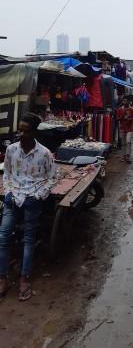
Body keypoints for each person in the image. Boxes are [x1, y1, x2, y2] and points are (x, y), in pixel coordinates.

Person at [0, 113, 56, 301]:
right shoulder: (11, 150)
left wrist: (39, 195)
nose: (21, 134)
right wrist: (8, 191)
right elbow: (6, 173)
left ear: (34, 132)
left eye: (25, 130)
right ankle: (3, 278)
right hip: (12, 197)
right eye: (20, 129)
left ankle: (24, 278)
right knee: (4, 235)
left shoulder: (45, 154)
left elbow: (51, 178)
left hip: (32, 198)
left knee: (28, 238)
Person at [116, 99, 133, 163]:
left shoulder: (132, 109)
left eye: (126, 101)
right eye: (124, 101)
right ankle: (123, 156)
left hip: (129, 128)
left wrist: (129, 118)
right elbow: (117, 118)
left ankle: (128, 156)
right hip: (122, 128)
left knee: (128, 141)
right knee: (123, 143)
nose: (125, 102)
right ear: (123, 102)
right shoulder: (120, 109)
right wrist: (123, 117)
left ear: (129, 102)